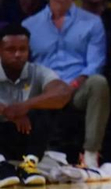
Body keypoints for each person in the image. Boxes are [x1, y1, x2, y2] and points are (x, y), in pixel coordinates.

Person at [22, 0, 110, 170]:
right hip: (44, 92)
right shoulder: (29, 26)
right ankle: (24, 157)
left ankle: (90, 154)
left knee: (98, 82)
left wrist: (70, 87)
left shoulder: (92, 22)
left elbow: (95, 64)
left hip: (77, 88)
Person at [0, 24, 72, 187]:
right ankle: (1, 165)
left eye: (22, 49)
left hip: (27, 137)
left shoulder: (38, 71)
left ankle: (29, 165)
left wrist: (25, 106)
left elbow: (63, 92)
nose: (18, 54)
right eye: (11, 50)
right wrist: (7, 111)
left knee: (47, 108)